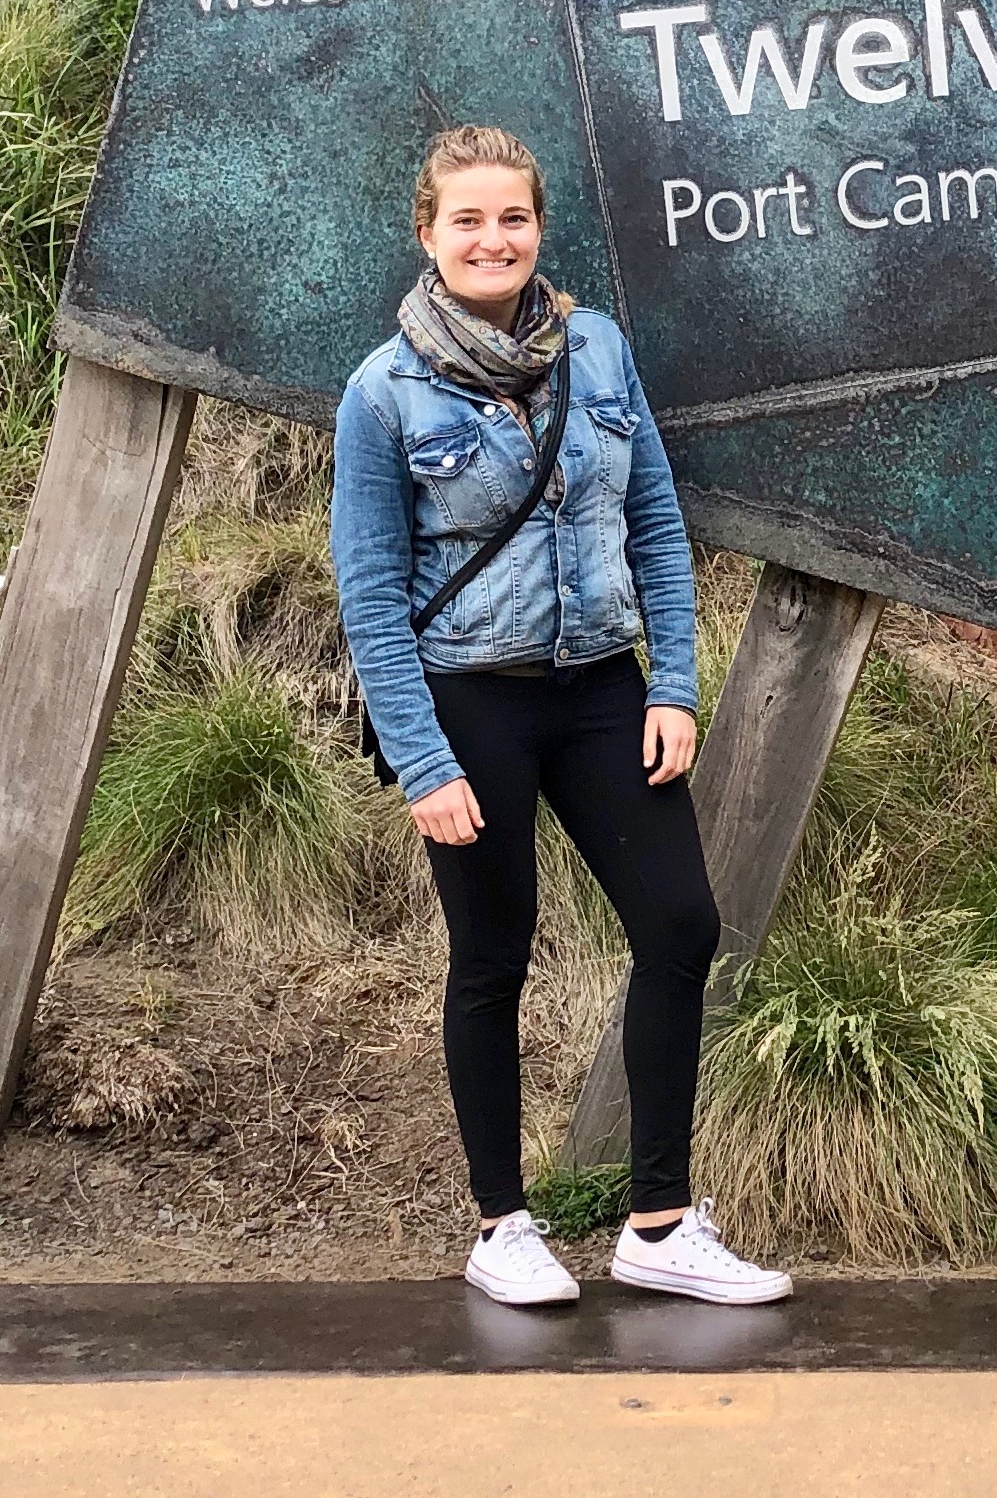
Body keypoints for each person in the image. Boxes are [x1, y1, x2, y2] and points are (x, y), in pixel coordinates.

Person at [331, 123, 789, 1309]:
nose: (494, 240)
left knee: (680, 925)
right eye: (469, 220)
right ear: (428, 234)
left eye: (514, 218)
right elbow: (371, 595)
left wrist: (673, 684)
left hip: (599, 689)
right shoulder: (382, 393)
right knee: (493, 953)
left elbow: (655, 524)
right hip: (468, 701)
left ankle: (659, 1224)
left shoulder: (598, 349)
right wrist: (422, 760)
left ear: (539, 228)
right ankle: (503, 1226)